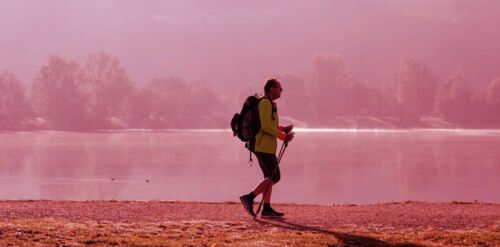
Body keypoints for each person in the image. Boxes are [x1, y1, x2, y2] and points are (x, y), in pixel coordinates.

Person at [239, 78, 294, 218]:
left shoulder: (270, 103)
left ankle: (267, 209)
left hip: (267, 147)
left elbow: (271, 126)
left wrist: (282, 129)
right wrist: (283, 136)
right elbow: (265, 126)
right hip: (262, 146)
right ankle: (249, 198)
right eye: (279, 87)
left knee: (268, 177)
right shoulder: (264, 103)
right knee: (275, 176)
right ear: (271, 89)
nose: (281, 90)